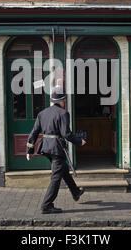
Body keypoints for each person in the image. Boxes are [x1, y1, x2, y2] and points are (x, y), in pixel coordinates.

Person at [26, 85, 87, 214]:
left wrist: (29, 151)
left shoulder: (42, 113)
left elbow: (34, 132)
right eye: (64, 100)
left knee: (63, 169)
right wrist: (79, 141)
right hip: (56, 148)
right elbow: (66, 134)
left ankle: (75, 192)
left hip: (46, 147)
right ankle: (46, 205)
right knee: (56, 177)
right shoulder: (63, 113)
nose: (64, 102)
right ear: (61, 100)